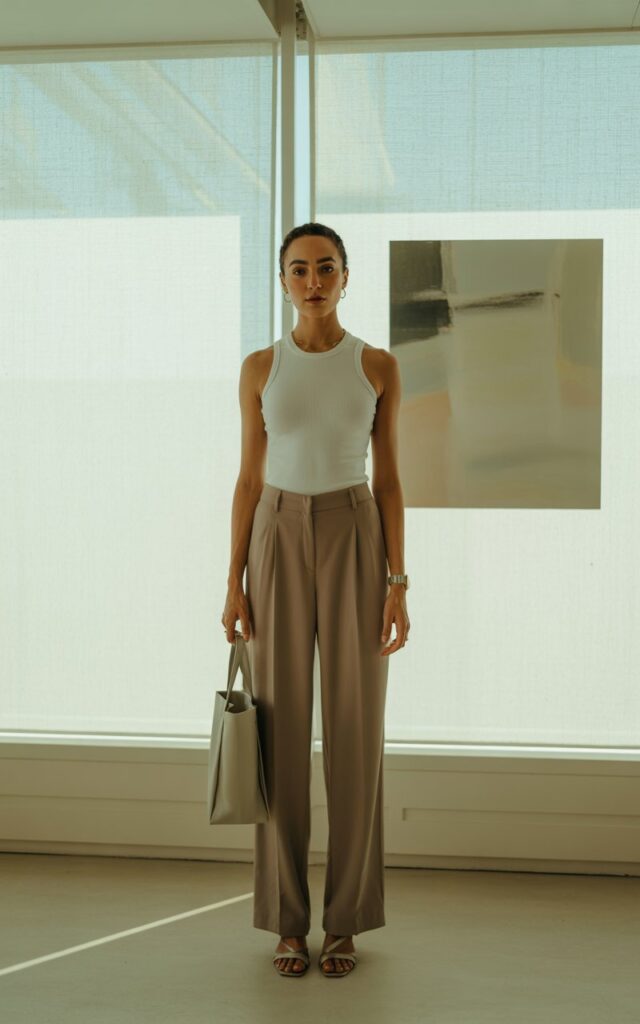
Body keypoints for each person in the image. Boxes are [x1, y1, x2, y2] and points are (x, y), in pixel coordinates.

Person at [221, 222, 410, 977]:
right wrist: (232, 576)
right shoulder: (260, 367)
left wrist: (398, 583)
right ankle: (287, 922)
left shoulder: (378, 365)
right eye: (298, 269)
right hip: (273, 529)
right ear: (282, 281)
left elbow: (392, 480)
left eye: (325, 267)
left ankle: (347, 921)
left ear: (345, 275)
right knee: (279, 731)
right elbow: (245, 477)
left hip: (355, 530)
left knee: (356, 730)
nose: (312, 280)